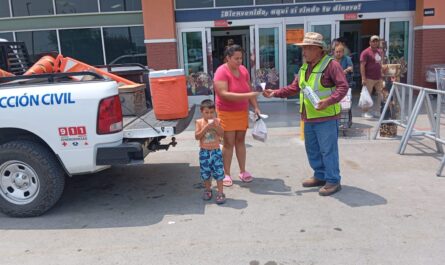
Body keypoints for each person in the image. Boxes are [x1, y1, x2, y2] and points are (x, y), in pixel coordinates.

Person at [263, 32, 348, 196]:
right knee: (313, 149)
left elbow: (342, 87)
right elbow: (294, 87)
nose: (304, 52)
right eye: (303, 48)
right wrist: (275, 93)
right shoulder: (304, 67)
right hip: (308, 117)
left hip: (327, 117)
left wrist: (329, 101)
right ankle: (320, 175)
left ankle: (333, 180)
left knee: (328, 150)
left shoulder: (331, 65)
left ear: (318, 49)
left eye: (308, 48)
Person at [213, 44, 261, 187]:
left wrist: (256, 107)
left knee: (240, 140)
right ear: (227, 58)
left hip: (241, 111)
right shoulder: (221, 71)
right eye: (236, 58)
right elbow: (223, 93)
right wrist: (248, 95)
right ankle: (226, 173)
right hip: (226, 111)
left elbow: (249, 89)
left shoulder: (244, 70)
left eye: (241, 58)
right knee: (228, 143)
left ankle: (243, 171)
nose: (239, 61)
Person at [195, 99, 226, 204]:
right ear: (201, 112)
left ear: (215, 112)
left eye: (212, 112)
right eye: (206, 112)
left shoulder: (217, 121)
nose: (209, 115)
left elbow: (222, 134)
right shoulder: (199, 122)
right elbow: (197, 136)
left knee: (219, 172)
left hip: (216, 151)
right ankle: (208, 190)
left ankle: (220, 193)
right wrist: (206, 128)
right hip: (204, 152)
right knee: (206, 173)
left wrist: (215, 127)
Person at [360, 35, 385, 118]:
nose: (375, 43)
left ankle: (377, 111)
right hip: (369, 78)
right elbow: (362, 65)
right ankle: (365, 112)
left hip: (379, 77)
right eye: (373, 41)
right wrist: (363, 78)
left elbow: (381, 63)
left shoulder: (380, 52)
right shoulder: (365, 52)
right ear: (370, 42)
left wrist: (383, 73)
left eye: (376, 41)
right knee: (367, 95)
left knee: (380, 94)